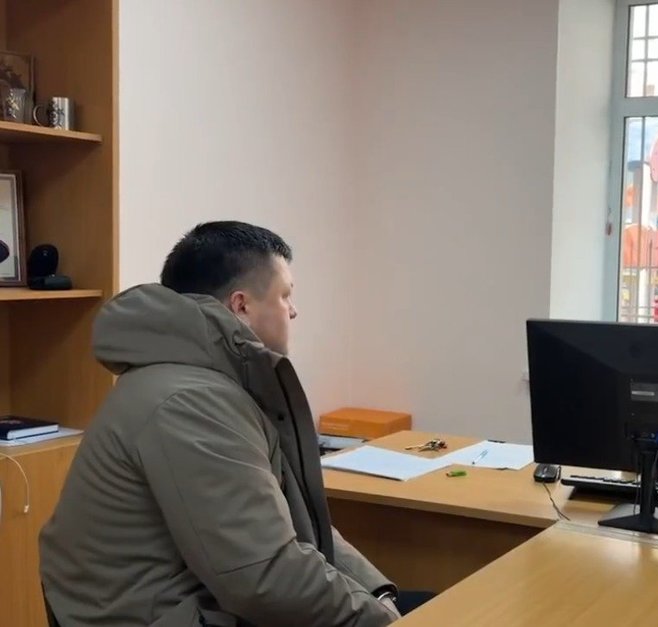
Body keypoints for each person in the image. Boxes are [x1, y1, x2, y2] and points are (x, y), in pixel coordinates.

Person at [39, 221, 408, 626]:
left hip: (201, 602)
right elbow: (264, 578)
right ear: (241, 305)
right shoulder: (192, 402)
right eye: (285, 295)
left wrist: (378, 592)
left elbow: (301, 525)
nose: (293, 310)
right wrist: (384, 620)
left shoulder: (212, 384)